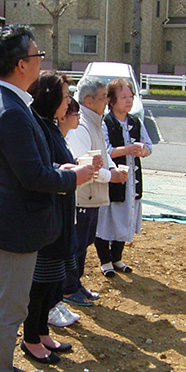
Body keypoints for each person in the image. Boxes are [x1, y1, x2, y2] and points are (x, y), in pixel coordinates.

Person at [0, 25, 94, 372]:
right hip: (16, 222)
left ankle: (3, 369)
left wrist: (62, 172)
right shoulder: (10, 110)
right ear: (21, 64)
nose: (41, 60)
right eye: (37, 54)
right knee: (11, 306)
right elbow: (32, 176)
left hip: (16, 218)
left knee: (10, 302)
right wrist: (73, 175)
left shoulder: (9, 103)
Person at [22, 74, 90, 362]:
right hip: (46, 216)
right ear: (50, 98)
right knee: (39, 283)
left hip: (60, 213)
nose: (68, 103)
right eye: (64, 97)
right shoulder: (36, 125)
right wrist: (65, 170)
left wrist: (75, 167)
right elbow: (38, 167)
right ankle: (31, 337)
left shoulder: (49, 126)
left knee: (52, 280)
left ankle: (42, 333)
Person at [62, 76, 128, 306]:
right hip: (83, 195)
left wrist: (111, 167)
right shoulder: (81, 126)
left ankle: (76, 284)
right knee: (76, 244)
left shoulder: (94, 121)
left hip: (92, 194)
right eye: (103, 98)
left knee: (85, 241)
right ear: (89, 101)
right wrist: (111, 175)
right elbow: (85, 164)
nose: (107, 102)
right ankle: (68, 289)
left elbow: (102, 153)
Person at [95, 78, 153, 277]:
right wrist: (127, 149)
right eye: (123, 97)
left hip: (131, 180)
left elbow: (149, 146)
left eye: (131, 97)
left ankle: (117, 257)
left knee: (126, 216)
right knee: (106, 219)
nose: (128, 101)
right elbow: (105, 151)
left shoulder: (135, 121)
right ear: (111, 100)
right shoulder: (106, 122)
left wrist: (142, 150)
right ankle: (105, 260)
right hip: (111, 180)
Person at [47, 97, 83, 328]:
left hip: (66, 204)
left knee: (65, 254)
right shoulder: (48, 133)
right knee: (50, 261)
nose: (76, 115)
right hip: (54, 207)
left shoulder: (59, 135)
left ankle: (57, 300)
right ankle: (50, 306)